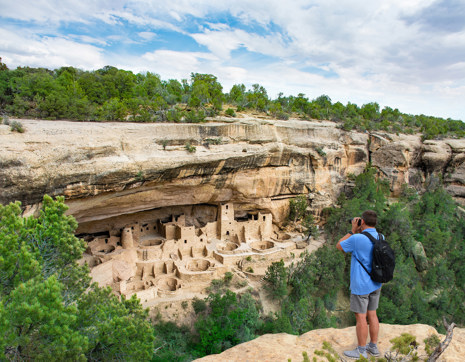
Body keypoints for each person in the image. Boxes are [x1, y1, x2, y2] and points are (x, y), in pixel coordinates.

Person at [336, 210, 382, 359]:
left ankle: (361, 350)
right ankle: (373, 346)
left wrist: (353, 230)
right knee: (372, 314)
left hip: (361, 284)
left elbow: (340, 246)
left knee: (361, 318)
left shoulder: (357, 238)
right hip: (376, 283)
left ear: (362, 222)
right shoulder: (381, 236)